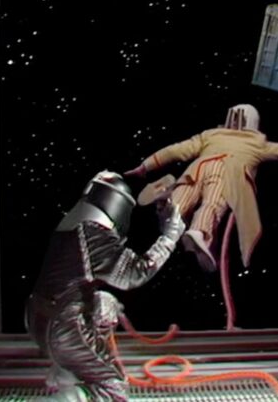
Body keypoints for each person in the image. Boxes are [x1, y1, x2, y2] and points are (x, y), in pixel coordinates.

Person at [26, 170, 185, 402]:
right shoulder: (92, 234)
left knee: (105, 304)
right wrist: (170, 237)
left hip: (41, 318)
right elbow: (135, 273)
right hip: (63, 327)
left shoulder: (73, 226)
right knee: (114, 390)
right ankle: (66, 393)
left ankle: (67, 372)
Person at [125, 104, 278, 273]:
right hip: (227, 172)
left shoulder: (210, 135)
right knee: (212, 204)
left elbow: (176, 149)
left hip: (197, 169)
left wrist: (146, 166)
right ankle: (200, 231)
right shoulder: (257, 143)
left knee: (182, 200)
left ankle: (166, 203)